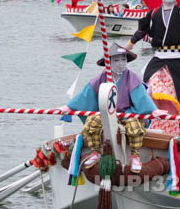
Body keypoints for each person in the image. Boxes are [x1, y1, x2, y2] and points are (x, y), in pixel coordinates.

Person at [60, 41, 156, 171]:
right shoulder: (102, 77)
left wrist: (154, 110)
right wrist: (69, 107)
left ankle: (135, 156)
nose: (121, 63)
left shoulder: (132, 78)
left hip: (128, 114)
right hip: (106, 114)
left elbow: (142, 98)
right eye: (116, 60)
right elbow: (86, 94)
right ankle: (96, 152)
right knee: (91, 122)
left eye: (123, 59)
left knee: (135, 127)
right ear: (109, 62)